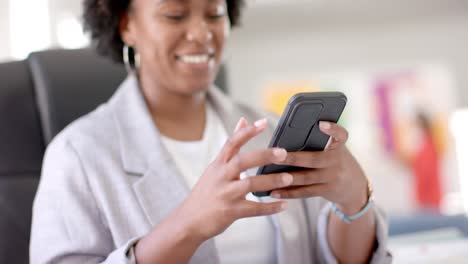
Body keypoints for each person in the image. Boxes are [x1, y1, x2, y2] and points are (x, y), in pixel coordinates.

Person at [30, 0, 391, 263]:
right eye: (175, 13)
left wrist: (354, 201)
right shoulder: (78, 154)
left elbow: (334, 257)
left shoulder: (270, 131)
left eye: (215, 13)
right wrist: (187, 226)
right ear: (126, 24)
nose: (202, 33)